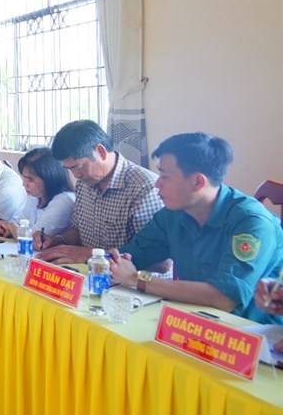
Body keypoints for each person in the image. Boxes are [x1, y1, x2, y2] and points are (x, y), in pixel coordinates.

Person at [107, 133, 282, 324]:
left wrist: (138, 279)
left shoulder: (252, 222)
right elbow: (130, 257)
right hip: (193, 321)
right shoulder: (172, 214)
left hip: (250, 332)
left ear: (198, 182)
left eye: (165, 176)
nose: (157, 183)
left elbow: (224, 299)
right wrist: (112, 262)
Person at [35, 120, 162, 264]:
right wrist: (57, 240)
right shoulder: (84, 183)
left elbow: (158, 260)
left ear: (101, 152)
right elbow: (78, 231)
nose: (76, 175)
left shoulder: (144, 188)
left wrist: (91, 254)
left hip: (130, 277)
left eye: (78, 167)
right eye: (69, 169)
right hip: (88, 272)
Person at [0, 147, 76, 242]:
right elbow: (19, 224)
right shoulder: (36, 197)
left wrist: (10, 226)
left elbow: (35, 238)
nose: (24, 184)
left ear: (50, 178)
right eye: (24, 178)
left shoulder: (63, 201)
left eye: (30, 180)